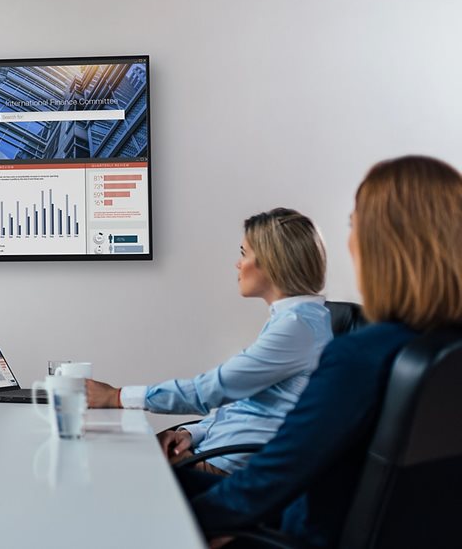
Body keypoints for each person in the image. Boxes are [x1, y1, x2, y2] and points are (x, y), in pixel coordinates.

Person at [180, 155, 462, 548]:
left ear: (381, 245)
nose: (349, 240)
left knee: (141, 488)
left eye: (353, 225)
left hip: (292, 534)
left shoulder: (360, 357)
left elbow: (276, 474)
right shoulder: (443, 352)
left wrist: (182, 523)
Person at [87, 208, 332, 473]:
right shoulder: (296, 320)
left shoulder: (296, 328)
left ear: (273, 262)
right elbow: (244, 405)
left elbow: (212, 390)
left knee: (105, 465)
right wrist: (191, 434)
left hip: (224, 471)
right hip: (213, 451)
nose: (238, 264)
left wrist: (116, 396)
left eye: (244, 253)